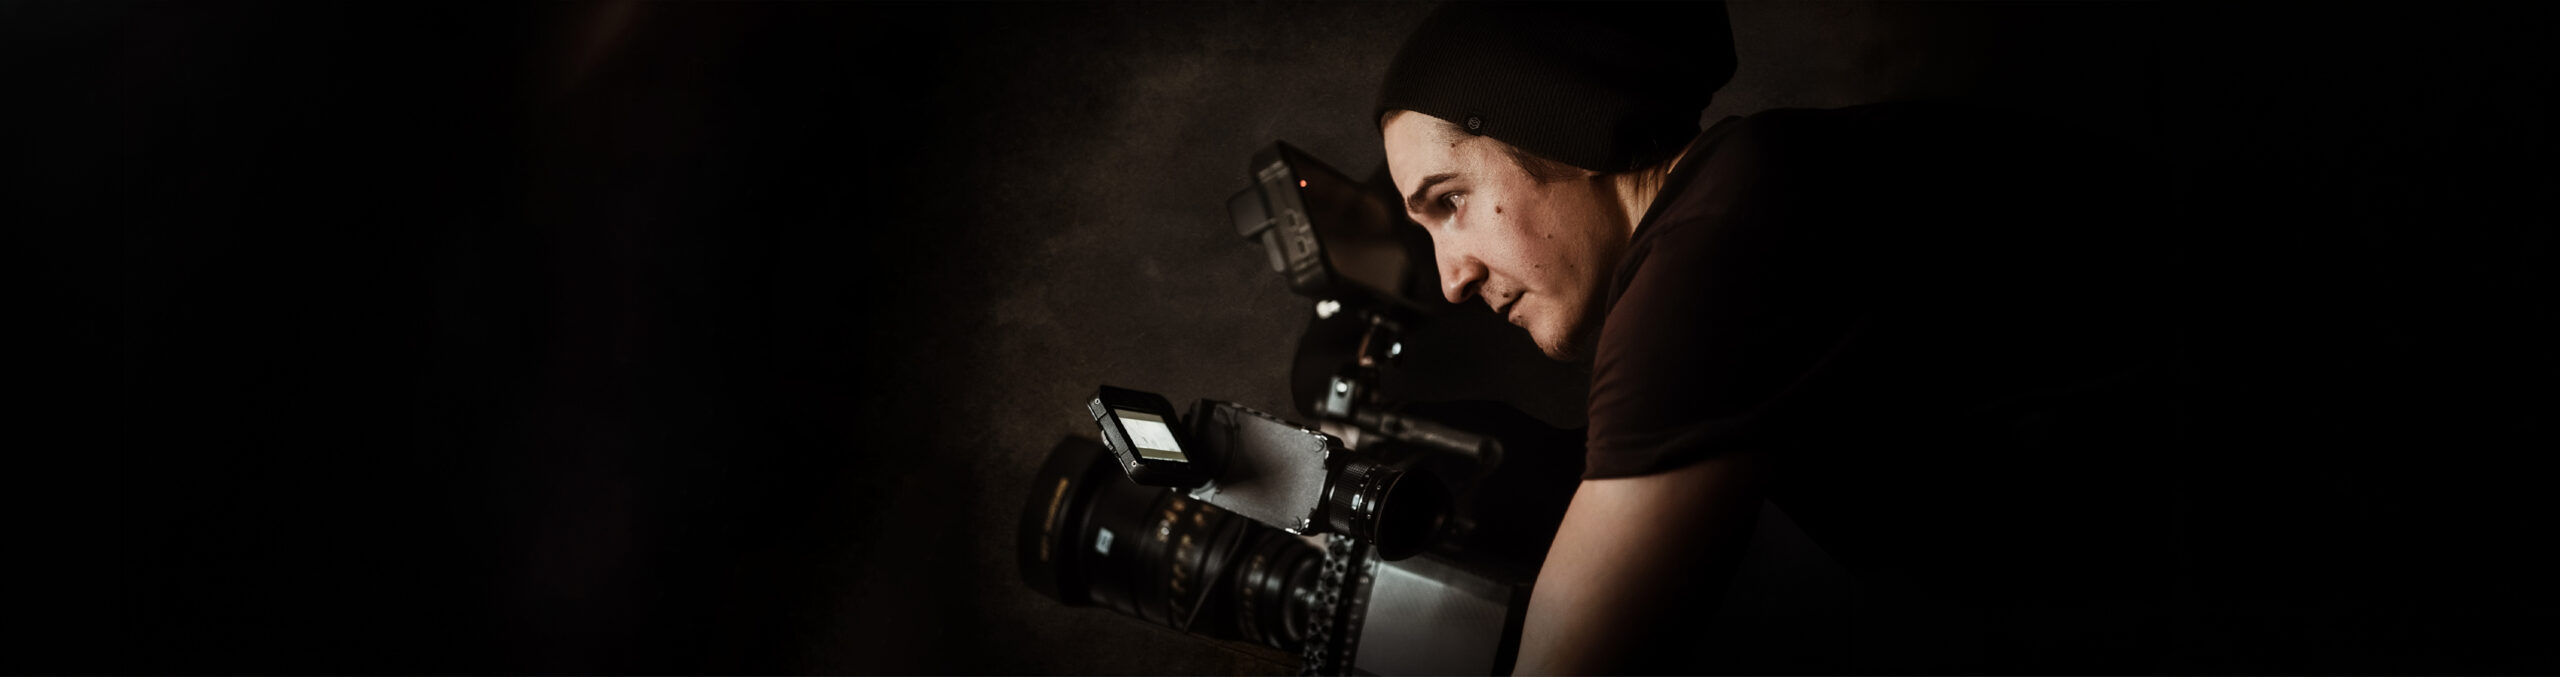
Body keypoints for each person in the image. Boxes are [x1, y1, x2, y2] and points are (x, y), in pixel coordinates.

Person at [1374, 3, 2179, 673]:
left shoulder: (1719, 246)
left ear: (1555, 125)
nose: (1451, 278)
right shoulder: (1750, 182)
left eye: (1450, 200)